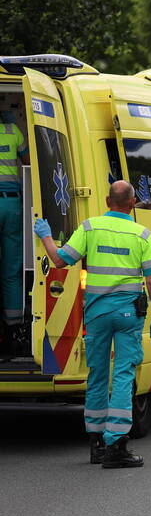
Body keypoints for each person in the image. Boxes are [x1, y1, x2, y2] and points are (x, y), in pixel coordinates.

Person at [32, 181, 151, 467]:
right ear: (133, 203)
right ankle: (116, 445)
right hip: (128, 314)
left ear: (107, 200)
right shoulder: (142, 233)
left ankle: (96, 444)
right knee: (123, 374)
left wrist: (44, 236)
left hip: (96, 313)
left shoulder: (89, 227)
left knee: (97, 374)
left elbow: (59, 260)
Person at [0, 109, 30, 356]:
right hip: (11, 204)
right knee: (11, 271)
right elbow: (30, 164)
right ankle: (13, 332)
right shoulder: (13, 131)